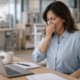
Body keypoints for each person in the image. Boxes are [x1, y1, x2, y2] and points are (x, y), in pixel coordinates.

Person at [32, 1, 80, 78]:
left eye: (53, 19)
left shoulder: (77, 37)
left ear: (63, 18)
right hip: (48, 76)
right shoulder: (48, 36)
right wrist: (47, 38)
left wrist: (70, 78)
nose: (49, 23)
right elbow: (36, 59)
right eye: (47, 19)